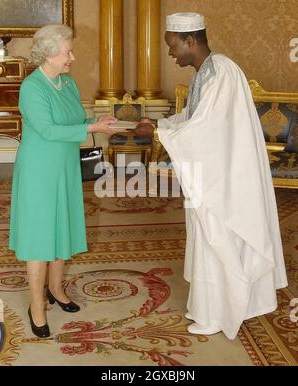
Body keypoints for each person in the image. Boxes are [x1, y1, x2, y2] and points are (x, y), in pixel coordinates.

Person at [135, 13, 288, 340]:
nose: (171, 54)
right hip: (211, 172)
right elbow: (195, 119)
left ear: (190, 40)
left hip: (223, 179)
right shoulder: (207, 72)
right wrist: (161, 126)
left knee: (218, 240)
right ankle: (210, 307)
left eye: (173, 46)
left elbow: (206, 130)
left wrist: (160, 132)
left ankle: (222, 310)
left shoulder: (221, 72)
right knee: (208, 240)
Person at [9, 24, 121, 338]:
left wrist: (97, 124)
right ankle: (36, 306)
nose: (71, 57)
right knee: (40, 238)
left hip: (66, 167)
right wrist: (87, 129)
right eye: (66, 52)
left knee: (62, 229)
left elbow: (73, 122)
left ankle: (56, 291)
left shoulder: (67, 84)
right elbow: (47, 130)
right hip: (39, 171)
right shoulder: (32, 87)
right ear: (48, 53)